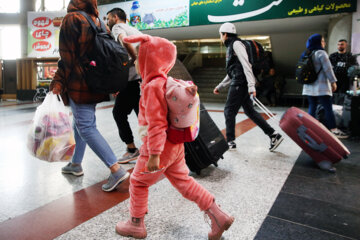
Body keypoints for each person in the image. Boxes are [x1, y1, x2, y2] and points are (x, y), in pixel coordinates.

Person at [115, 34, 234, 240]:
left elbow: (157, 123)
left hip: (160, 147)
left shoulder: (152, 86)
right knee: (184, 181)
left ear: (148, 59)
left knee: (139, 181)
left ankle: (136, 224)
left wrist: (154, 154)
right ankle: (217, 214)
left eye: (139, 57)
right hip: (176, 144)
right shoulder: (167, 81)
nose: (135, 61)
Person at [50, 0, 129, 192]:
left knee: (86, 126)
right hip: (96, 82)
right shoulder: (97, 20)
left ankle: (116, 169)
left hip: (79, 82)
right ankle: (75, 164)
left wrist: (58, 82)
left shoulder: (72, 19)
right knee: (81, 124)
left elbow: (67, 58)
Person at [213, 22, 283, 151]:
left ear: (225, 34)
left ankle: (230, 141)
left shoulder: (236, 44)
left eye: (221, 35)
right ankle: (274, 135)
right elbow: (233, 71)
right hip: (241, 81)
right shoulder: (233, 46)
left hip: (240, 83)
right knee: (250, 111)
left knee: (229, 111)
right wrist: (220, 86)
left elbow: (246, 65)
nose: (221, 37)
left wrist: (252, 86)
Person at [106, 8, 142, 164]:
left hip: (132, 81)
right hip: (141, 80)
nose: (107, 22)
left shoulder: (118, 27)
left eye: (108, 18)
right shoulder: (135, 29)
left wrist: (135, 58)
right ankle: (155, 149)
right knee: (143, 117)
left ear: (115, 17)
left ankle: (132, 149)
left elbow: (123, 40)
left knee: (118, 113)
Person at [301, 34, 348, 138]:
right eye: (322, 41)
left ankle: (309, 129)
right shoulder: (321, 53)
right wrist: (333, 82)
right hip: (321, 87)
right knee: (328, 108)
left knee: (312, 107)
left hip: (309, 87)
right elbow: (328, 69)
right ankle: (334, 130)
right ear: (318, 42)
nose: (324, 43)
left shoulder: (306, 53)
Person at [329, 39, 359, 104]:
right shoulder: (333, 56)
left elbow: (355, 66)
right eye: (338, 44)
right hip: (335, 79)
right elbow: (328, 67)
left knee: (343, 96)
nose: (340, 46)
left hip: (345, 79)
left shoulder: (350, 56)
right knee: (333, 95)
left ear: (346, 45)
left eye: (342, 44)